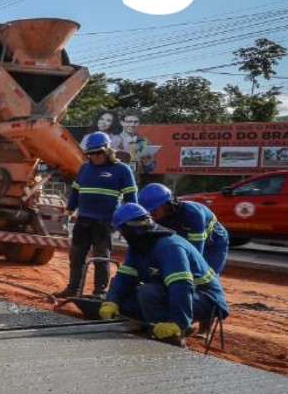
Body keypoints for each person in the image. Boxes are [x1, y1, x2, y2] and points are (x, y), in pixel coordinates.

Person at [100, 203, 228, 346]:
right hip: (180, 294)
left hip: (206, 299)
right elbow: (124, 276)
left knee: (147, 292)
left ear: (128, 230)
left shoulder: (169, 247)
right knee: (125, 303)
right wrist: (111, 301)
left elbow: (181, 286)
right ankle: (151, 327)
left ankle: (172, 339)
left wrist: (178, 323)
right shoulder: (139, 246)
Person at [54, 132, 138, 299]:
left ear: (108, 150)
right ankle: (73, 289)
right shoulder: (85, 168)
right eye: (91, 153)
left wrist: (131, 220)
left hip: (105, 222)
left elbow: (131, 199)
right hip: (83, 220)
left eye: (99, 152)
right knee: (76, 256)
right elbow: (75, 192)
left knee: (101, 257)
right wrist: (68, 211)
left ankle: (99, 292)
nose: (95, 156)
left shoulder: (121, 170)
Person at [138, 183, 230, 275]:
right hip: (189, 241)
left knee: (205, 277)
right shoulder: (158, 218)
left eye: (153, 210)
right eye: (148, 211)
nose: (151, 215)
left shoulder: (193, 214)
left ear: (165, 204)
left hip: (214, 244)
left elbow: (196, 255)